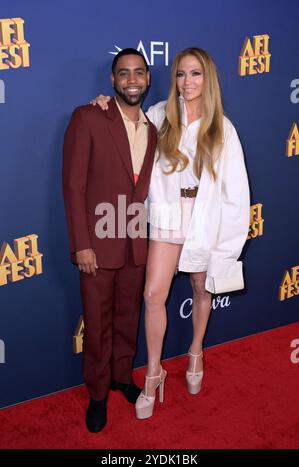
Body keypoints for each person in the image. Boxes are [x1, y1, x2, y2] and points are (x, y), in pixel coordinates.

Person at [92, 47, 250, 420]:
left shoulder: (222, 128)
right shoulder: (159, 116)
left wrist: (227, 246)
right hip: (166, 218)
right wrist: (105, 105)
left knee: (200, 288)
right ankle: (153, 371)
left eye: (195, 74)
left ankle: (195, 350)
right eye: (180, 74)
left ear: (207, 78)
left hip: (205, 220)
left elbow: (237, 192)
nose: (187, 82)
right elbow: (124, 126)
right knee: (152, 295)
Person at [63, 48, 157, 432]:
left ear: (148, 79)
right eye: (124, 73)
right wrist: (81, 244)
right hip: (97, 246)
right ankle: (98, 393)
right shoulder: (88, 117)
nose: (131, 80)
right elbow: (73, 186)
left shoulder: (153, 129)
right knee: (98, 324)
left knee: (127, 318)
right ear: (113, 81)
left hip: (135, 240)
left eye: (138, 73)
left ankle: (122, 377)